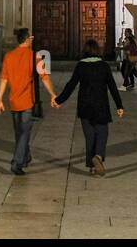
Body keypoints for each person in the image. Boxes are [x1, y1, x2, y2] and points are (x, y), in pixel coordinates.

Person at [52, 39, 124, 175]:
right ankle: (98, 156)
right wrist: (119, 105)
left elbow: (71, 85)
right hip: (101, 105)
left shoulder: (81, 66)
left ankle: (92, 166)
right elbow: (112, 87)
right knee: (102, 133)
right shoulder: (104, 66)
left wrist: (59, 100)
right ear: (98, 51)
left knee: (89, 136)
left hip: (84, 105)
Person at [0, 28, 57, 175]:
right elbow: (45, 78)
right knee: (24, 132)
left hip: (13, 101)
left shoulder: (8, 56)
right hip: (28, 101)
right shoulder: (35, 56)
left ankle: (26, 156)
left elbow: (3, 79)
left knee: (19, 132)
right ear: (28, 40)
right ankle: (17, 162)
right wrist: (53, 94)